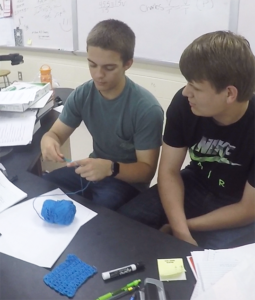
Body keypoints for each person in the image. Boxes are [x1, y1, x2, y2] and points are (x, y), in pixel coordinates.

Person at [118, 31, 255, 249]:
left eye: (196, 87)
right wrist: (180, 228)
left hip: (237, 203)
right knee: (126, 223)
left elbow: (248, 209)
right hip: (195, 184)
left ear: (229, 93)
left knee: (217, 262)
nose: (185, 92)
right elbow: (169, 171)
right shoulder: (185, 105)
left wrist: (182, 227)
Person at [40, 19, 163, 210]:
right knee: (43, 186)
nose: (98, 75)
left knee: (102, 213)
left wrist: (110, 168)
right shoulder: (83, 94)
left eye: (109, 68)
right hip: (93, 170)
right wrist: (48, 141)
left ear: (127, 64)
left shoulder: (146, 109)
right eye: (92, 65)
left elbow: (146, 172)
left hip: (126, 181)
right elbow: (55, 134)